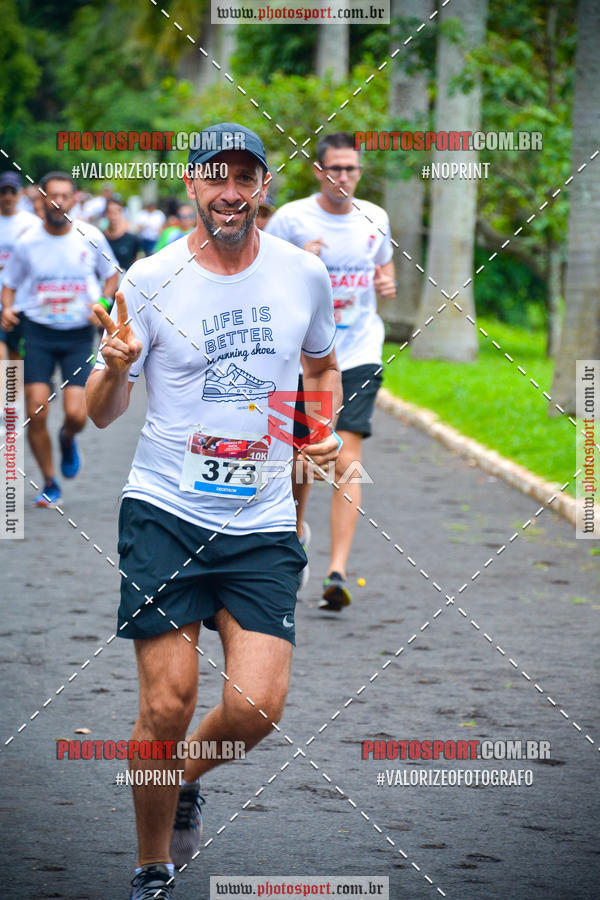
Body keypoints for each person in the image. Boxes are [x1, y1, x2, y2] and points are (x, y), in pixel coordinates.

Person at [86, 121, 342, 900]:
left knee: (257, 706)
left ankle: (184, 778)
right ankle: (152, 867)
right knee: (167, 704)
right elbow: (101, 413)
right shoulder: (148, 279)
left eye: (244, 177)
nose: (230, 191)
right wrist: (114, 369)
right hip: (166, 512)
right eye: (215, 176)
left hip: (261, 521)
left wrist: (318, 434)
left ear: (263, 186)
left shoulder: (303, 275)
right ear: (192, 183)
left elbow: (321, 366)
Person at [266, 131, 397, 611]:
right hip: (307, 358)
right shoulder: (291, 219)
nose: (343, 176)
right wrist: (306, 262)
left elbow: (384, 271)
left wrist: (387, 284)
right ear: (319, 171)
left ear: (360, 172)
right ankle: (296, 533)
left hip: (358, 353)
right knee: (303, 457)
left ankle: (337, 572)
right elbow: (264, 278)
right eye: (335, 168)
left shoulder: (375, 217)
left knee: (346, 457)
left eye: (351, 168)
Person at [1, 171, 118, 506]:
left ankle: (67, 439)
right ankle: (50, 482)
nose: (59, 202)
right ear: (42, 199)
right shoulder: (27, 242)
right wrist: (6, 309)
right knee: (36, 410)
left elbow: (111, 275)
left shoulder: (90, 236)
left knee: (77, 415)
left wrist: (103, 303)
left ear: (74, 199)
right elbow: (9, 284)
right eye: (53, 196)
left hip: (79, 336)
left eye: (65, 196)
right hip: (37, 332)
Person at [0, 172, 39, 362]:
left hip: (20, 301)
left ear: (20, 193)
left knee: (16, 356)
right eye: (3, 191)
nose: (8, 196)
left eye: (12, 191)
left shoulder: (32, 224)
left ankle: (11, 384)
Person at [104, 194, 141, 272]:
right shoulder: (100, 238)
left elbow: (136, 263)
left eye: (116, 213)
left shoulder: (131, 239)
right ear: (106, 214)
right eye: (110, 212)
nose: (113, 217)